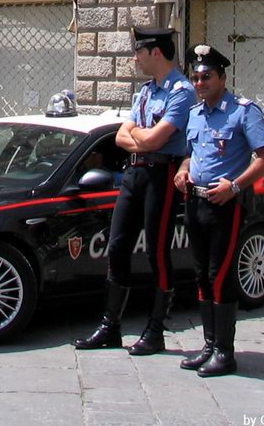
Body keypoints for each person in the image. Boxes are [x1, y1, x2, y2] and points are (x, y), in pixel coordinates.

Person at [75, 26, 197, 355]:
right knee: (117, 247)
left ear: (156, 52)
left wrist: (141, 136)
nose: (135, 58)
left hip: (163, 173)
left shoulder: (181, 91)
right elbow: (120, 137)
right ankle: (110, 326)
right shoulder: (146, 91)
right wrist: (143, 136)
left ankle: (155, 330)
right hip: (135, 172)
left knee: (158, 251)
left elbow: (157, 140)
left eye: (139, 52)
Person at [174, 45, 264, 377]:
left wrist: (234, 187)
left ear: (222, 78)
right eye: (196, 77)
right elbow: (191, 154)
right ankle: (209, 345)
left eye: (207, 77)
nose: (200, 82)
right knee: (200, 274)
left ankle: (224, 351)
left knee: (220, 275)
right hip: (196, 201)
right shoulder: (195, 113)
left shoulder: (244, 112)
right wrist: (183, 171)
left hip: (226, 206)